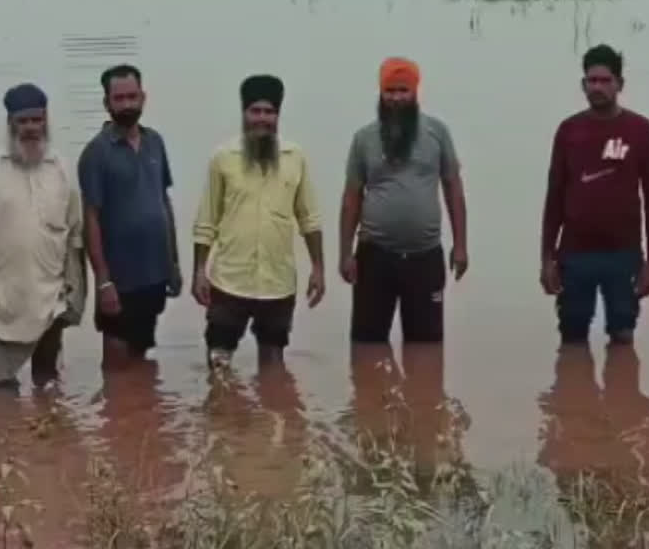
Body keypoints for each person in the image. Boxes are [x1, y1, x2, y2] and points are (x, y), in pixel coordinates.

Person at [191, 74, 325, 369]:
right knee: (219, 362)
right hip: (229, 281)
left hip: (277, 284)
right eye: (255, 111)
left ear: (278, 115)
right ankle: (221, 414)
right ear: (243, 114)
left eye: (269, 112)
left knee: (274, 363)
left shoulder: (295, 157)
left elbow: (309, 219)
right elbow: (206, 220)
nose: (262, 119)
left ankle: (270, 412)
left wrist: (318, 268)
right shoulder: (223, 158)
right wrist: (199, 271)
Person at [540, 44, 649, 346]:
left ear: (619, 84)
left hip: (623, 254)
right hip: (575, 253)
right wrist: (547, 258)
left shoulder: (640, 130)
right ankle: (573, 391)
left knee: (623, 337)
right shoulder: (569, 131)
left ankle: (621, 391)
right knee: (572, 338)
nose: (597, 87)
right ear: (583, 85)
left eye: (605, 80)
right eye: (591, 81)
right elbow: (554, 198)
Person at [339, 57, 468, 344]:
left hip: (425, 256)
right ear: (380, 94)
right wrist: (346, 253)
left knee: (426, 350)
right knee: (367, 348)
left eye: (403, 91)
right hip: (374, 256)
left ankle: (421, 391)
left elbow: (453, 188)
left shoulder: (438, 133)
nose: (396, 98)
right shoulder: (364, 139)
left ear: (415, 92)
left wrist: (460, 245)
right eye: (390, 91)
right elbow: (351, 198)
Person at [0, 83, 86, 389]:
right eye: (23, 121)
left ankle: (39, 436)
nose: (31, 128)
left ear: (46, 120)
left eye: (37, 119)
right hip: (0, 296)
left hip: (50, 296)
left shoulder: (62, 169)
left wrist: (77, 292)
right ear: (10, 123)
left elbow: (75, 235)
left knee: (48, 384)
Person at [77, 64, 181, 370]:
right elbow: (91, 218)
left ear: (143, 98)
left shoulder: (155, 143)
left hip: (154, 274)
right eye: (119, 98)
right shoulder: (96, 153)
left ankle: (138, 416)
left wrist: (173, 263)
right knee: (117, 365)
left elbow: (164, 201)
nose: (126, 105)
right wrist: (103, 281)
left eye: (132, 97)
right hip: (119, 280)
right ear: (106, 103)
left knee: (142, 359)